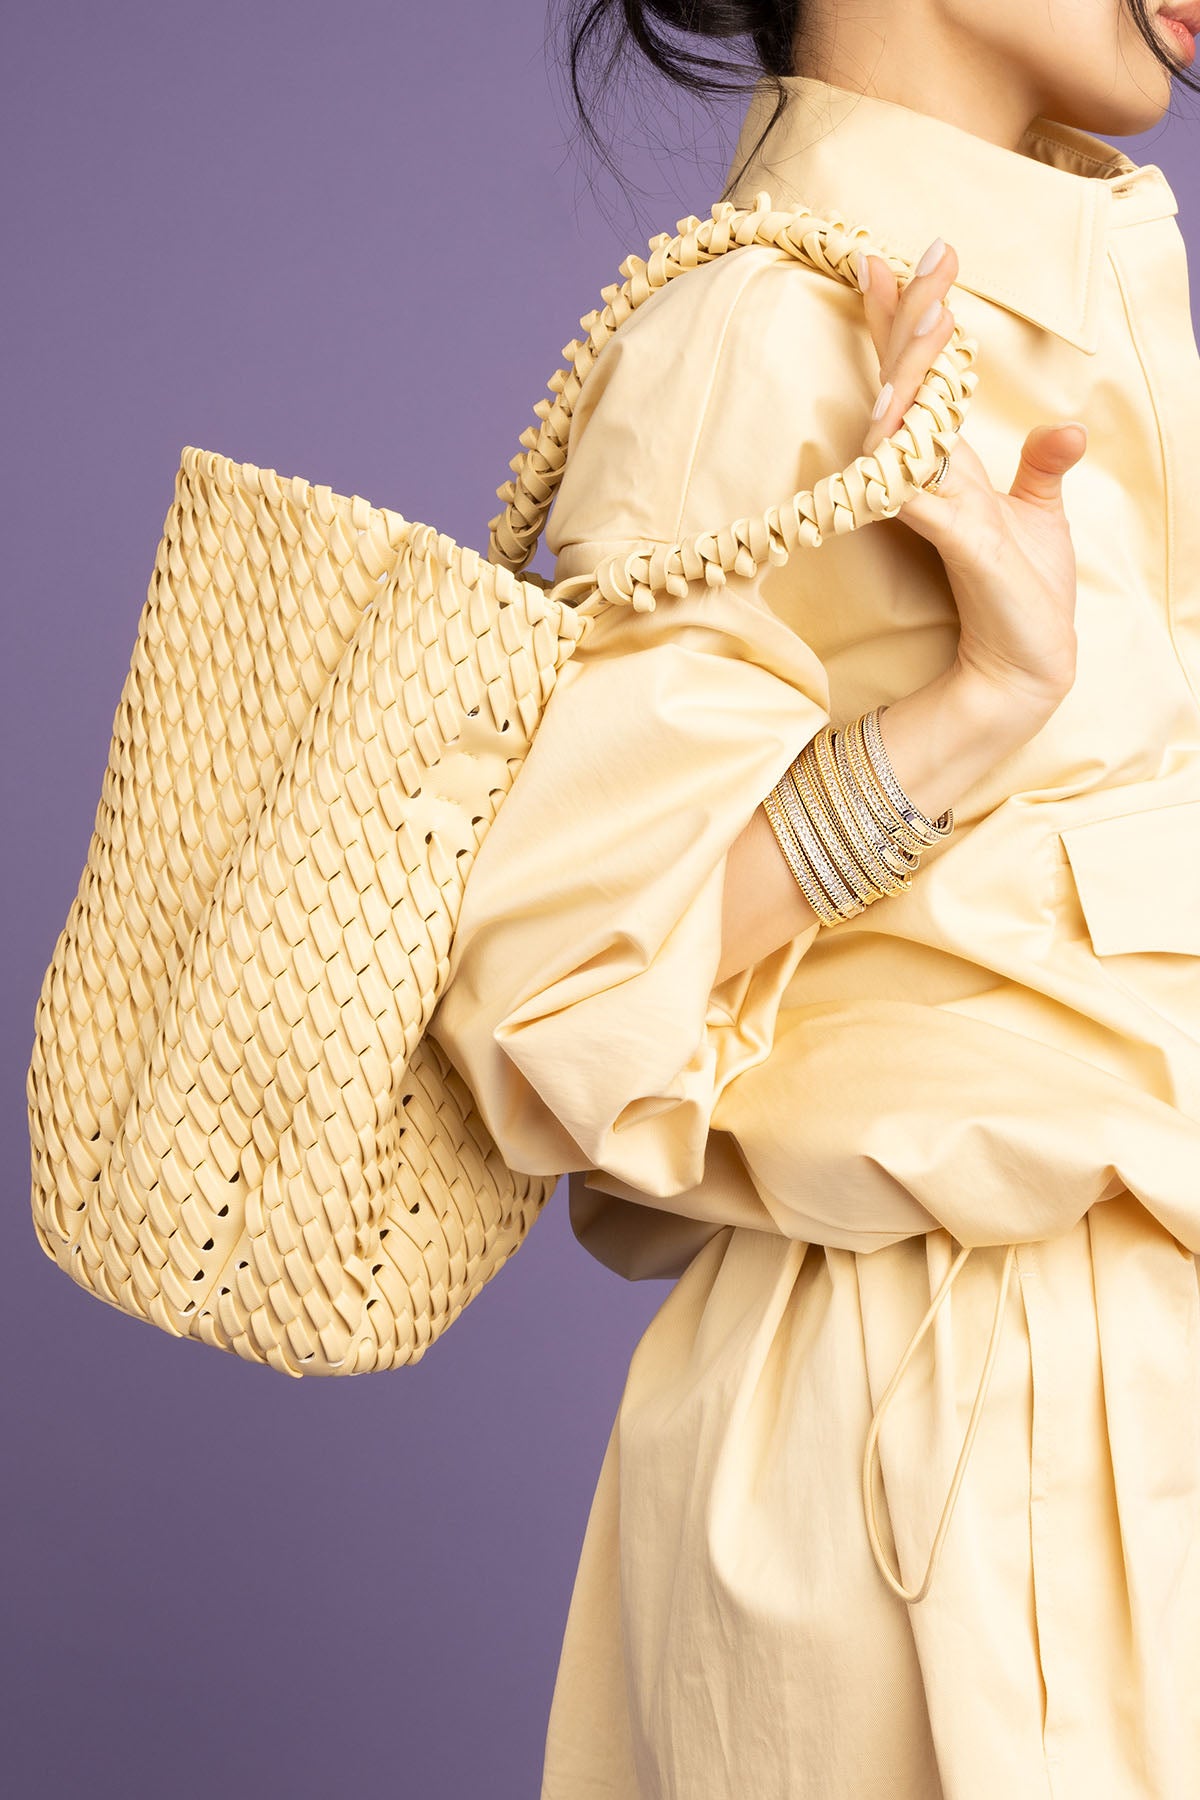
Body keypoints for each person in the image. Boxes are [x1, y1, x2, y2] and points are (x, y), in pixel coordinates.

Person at [427, 0, 1200, 1792]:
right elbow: (551, 1006)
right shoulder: (773, 330)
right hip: (939, 1436)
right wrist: (965, 718)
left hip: (1117, 1402)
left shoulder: (1081, 305)